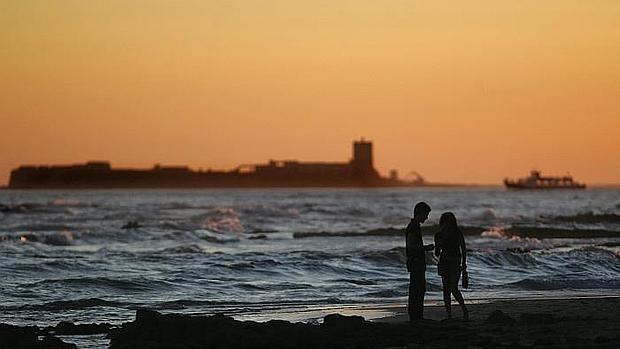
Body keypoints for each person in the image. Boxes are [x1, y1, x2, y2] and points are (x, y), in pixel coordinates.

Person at [434, 212, 469, 320]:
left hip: (455, 262)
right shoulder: (439, 235)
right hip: (444, 262)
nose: (447, 224)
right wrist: (439, 244)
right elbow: (437, 253)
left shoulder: (457, 233)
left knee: (453, 288)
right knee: (446, 289)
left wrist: (464, 264)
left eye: (449, 222)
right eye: (445, 222)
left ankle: (464, 310)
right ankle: (449, 315)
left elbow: (463, 249)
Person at [405, 202, 434, 321]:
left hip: (416, 261)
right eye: (426, 214)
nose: (426, 217)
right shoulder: (413, 227)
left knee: (418, 288)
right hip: (415, 262)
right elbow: (412, 246)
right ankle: (416, 316)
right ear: (420, 213)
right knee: (418, 289)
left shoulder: (414, 226)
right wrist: (426, 248)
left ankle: (417, 315)